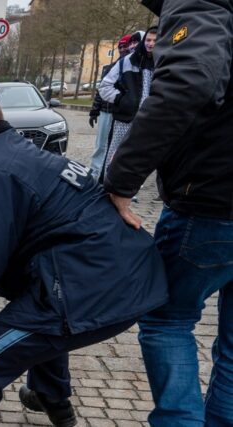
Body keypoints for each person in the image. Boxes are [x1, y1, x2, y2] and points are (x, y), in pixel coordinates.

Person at [0, 80, 168, 426]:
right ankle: (51, 396)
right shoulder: (13, 152)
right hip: (114, 274)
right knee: (34, 313)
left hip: (96, 286)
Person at [105, 1, 233, 425]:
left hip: (211, 203)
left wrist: (121, 180)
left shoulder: (201, 4)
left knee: (167, 319)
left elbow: (188, 82)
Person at [98, 26, 157, 173]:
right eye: (148, 40)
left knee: (139, 160)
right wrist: (122, 100)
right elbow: (104, 86)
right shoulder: (127, 62)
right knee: (115, 156)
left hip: (149, 122)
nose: (151, 44)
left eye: (155, 41)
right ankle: (108, 183)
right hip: (125, 120)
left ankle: (130, 186)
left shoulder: (162, 64)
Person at [87, 33, 131, 180]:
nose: (123, 49)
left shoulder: (135, 69)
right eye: (121, 47)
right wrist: (94, 110)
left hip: (123, 114)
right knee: (101, 145)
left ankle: (113, 176)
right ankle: (95, 174)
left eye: (126, 46)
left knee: (119, 147)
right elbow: (101, 90)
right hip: (106, 111)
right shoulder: (110, 68)